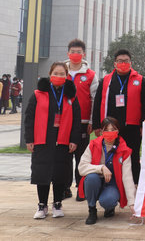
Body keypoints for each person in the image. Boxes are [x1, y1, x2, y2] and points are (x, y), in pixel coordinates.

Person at [24, 62, 81, 219]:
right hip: (43, 139)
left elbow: (76, 120)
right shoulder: (38, 94)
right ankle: (42, 205)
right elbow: (29, 118)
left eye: (62, 74)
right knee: (42, 172)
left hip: (63, 140)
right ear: (50, 74)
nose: (59, 76)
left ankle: (57, 203)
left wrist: (74, 140)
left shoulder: (71, 96)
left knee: (60, 173)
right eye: (56, 73)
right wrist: (29, 139)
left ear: (67, 76)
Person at [92, 49, 145, 184]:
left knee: (133, 156)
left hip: (132, 127)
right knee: (110, 156)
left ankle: (135, 185)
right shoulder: (106, 80)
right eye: (120, 61)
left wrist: (143, 126)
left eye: (126, 61)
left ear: (131, 63)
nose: (123, 63)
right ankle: (111, 185)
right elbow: (98, 102)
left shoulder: (140, 80)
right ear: (115, 63)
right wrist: (96, 125)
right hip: (111, 128)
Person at [78, 117, 136, 225]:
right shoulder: (93, 145)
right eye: (106, 130)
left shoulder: (124, 150)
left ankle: (109, 207)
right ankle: (92, 210)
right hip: (96, 180)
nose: (110, 133)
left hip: (112, 184)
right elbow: (81, 167)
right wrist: (101, 168)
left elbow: (127, 177)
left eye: (112, 130)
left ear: (118, 131)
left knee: (108, 200)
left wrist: (132, 203)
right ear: (101, 131)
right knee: (91, 178)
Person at [65, 38, 99, 200]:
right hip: (63, 122)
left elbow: (94, 99)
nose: (75, 54)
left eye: (78, 52)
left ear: (84, 54)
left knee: (81, 157)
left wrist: (92, 121)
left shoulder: (90, 75)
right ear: (68, 53)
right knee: (64, 157)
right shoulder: (60, 71)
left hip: (83, 122)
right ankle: (64, 188)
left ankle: (81, 188)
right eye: (73, 52)